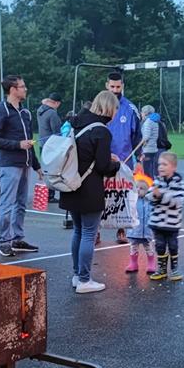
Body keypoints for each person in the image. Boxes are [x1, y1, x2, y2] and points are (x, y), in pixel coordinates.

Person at [59, 91, 121, 294]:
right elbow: (103, 166)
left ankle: (78, 275)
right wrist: (115, 165)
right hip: (89, 187)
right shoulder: (101, 131)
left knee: (78, 231)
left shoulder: (77, 123)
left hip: (72, 184)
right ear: (109, 109)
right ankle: (85, 280)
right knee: (88, 233)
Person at [0, 75, 42, 257]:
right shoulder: (0, 111)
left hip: (25, 164)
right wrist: (17, 145)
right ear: (12, 89)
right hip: (9, 164)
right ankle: (4, 241)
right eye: (22, 86)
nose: (25, 89)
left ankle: (17, 238)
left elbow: (30, 142)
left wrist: (37, 166)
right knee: (7, 204)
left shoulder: (26, 113)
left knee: (21, 203)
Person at [105, 71, 142, 244]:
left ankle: (121, 230)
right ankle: (96, 230)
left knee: (123, 196)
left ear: (122, 86)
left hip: (124, 160)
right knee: (100, 195)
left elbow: (137, 137)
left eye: (118, 87)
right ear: (107, 86)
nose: (115, 90)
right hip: (103, 159)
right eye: (112, 86)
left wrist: (140, 159)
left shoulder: (130, 108)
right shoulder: (100, 106)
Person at [148, 152, 184, 282]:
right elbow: (150, 196)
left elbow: (178, 202)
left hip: (172, 223)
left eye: (165, 164)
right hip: (157, 222)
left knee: (173, 245)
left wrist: (162, 196)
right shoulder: (157, 181)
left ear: (173, 167)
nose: (161, 167)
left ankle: (174, 269)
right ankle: (162, 270)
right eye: (159, 164)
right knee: (159, 245)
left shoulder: (179, 183)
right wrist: (153, 195)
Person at [125, 173, 157, 275]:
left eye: (141, 188)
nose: (138, 190)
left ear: (147, 190)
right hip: (134, 230)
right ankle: (133, 263)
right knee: (133, 247)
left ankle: (151, 264)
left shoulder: (149, 201)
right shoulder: (132, 200)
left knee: (148, 247)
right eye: (137, 188)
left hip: (146, 231)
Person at [37, 92, 64, 203]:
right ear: (57, 103)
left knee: (45, 169)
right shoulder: (52, 114)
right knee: (53, 170)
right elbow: (57, 132)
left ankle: (46, 194)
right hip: (51, 146)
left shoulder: (40, 110)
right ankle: (50, 194)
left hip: (42, 144)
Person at [139, 105, 162, 178]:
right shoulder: (155, 121)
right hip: (153, 149)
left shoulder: (148, 122)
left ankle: (149, 187)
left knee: (147, 171)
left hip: (147, 150)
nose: (141, 114)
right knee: (151, 170)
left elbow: (146, 137)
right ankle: (152, 185)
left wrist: (142, 144)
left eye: (142, 112)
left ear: (145, 113)